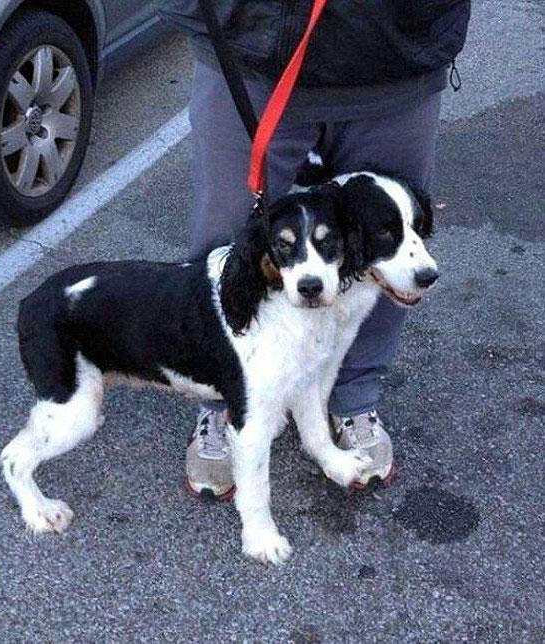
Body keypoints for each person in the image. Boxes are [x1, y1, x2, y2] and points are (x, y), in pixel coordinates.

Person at [157, 1, 471, 499]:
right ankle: (223, 399)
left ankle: (354, 395)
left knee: (385, 246)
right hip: (250, 45)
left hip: (398, 52)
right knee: (226, 244)